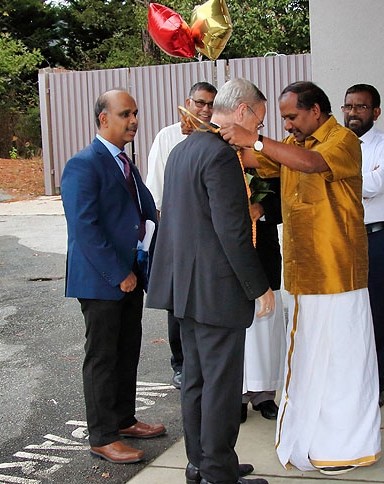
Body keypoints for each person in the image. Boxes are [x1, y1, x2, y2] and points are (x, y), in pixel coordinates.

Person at [220, 80, 381, 476]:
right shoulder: (296, 147)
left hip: (338, 275)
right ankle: (314, 442)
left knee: (342, 364)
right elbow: (254, 160)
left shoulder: (342, 140)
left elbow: (310, 165)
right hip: (303, 275)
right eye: (284, 119)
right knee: (310, 362)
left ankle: (345, 447)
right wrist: (218, 134)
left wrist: (255, 140)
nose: (287, 125)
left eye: (292, 117)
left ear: (316, 110)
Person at [146, 78, 274, 484]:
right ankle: (218, 472)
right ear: (242, 111)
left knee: (198, 382)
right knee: (220, 385)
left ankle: (202, 463)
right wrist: (260, 286)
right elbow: (232, 231)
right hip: (215, 291)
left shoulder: (183, 150)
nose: (258, 131)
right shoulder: (220, 156)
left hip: (186, 288)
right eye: (259, 120)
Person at [61, 89, 165, 464]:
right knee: (103, 357)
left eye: (135, 113)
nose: (134, 120)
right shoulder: (83, 165)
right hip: (103, 279)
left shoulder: (126, 162)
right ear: (103, 119)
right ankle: (102, 436)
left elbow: (142, 210)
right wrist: (118, 272)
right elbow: (84, 228)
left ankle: (123, 419)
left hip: (130, 275)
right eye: (125, 114)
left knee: (126, 351)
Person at [145, 81, 218, 389]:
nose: (204, 109)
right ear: (187, 102)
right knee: (177, 301)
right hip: (173, 229)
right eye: (199, 102)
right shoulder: (167, 137)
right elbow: (155, 191)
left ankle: (205, 362)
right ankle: (180, 363)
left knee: (205, 297)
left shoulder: (219, 137)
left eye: (210, 104)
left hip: (207, 232)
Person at [342, 83, 384, 407]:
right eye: (348, 106)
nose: (353, 112)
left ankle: (377, 382)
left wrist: (337, 176)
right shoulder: (334, 144)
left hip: (376, 238)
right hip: (341, 239)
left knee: (376, 310)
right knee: (346, 313)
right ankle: (352, 381)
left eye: (361, 107)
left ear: (375, 112)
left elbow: (377, 184)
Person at [240, 173, 284, 423]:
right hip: (231, 260)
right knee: (240, 333)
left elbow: (285, 201)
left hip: (265, 255)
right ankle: (238, 397)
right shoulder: (220, 160)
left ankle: (265, 395)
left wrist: (261, 208)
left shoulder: (268, 166)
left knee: (266, 329)